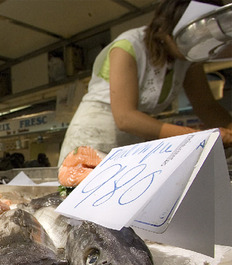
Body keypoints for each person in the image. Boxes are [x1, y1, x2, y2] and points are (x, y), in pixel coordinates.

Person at [58, 0, 232, 165]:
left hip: (132, 144)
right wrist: (199, 138)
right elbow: (126, 118)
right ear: (167, 30)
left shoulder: (187, 57)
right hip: (93, 138)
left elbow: (206, 106)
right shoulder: (128, 46)